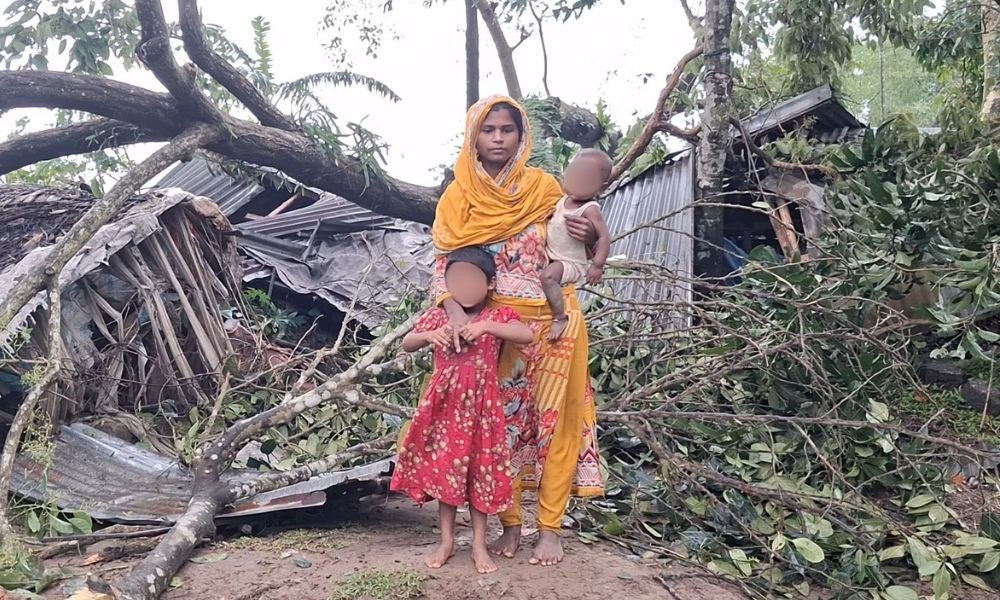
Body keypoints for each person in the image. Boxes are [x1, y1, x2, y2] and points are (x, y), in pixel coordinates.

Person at [432, 95, 605, 567]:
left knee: (555, 423)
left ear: (520, 135)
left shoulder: (544, 188)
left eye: (507, 129)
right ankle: (510, 523)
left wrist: (591, 241)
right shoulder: (457, 197)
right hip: (493, 327)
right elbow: (444, 268)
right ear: (473, 135)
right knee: (499, 426)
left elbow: (581, 249)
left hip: (554, 323)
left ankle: (550, 527)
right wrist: (456, 315)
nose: (498, 138)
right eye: (488, 130)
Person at [391, 246, 534, 574]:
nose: (464, 286)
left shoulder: (496, 317)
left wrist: (486, 329)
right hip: (444, 411)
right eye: (456, 280)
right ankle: (447, 541)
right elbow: (407, 342)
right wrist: (430, 335)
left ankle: (480, 545)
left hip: (482, 413)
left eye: (472, 280)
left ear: (490, 284)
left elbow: (525, 334)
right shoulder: (441, 315)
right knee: (447, 476)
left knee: (480, 475)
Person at [540, 149, 613, 340]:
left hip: (570, 262)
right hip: (552, 256)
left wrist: (597, 265)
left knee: (547, 277)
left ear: (601, 187)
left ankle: (559, 317)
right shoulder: (560, 199)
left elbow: (604, 237)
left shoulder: (590, 209)